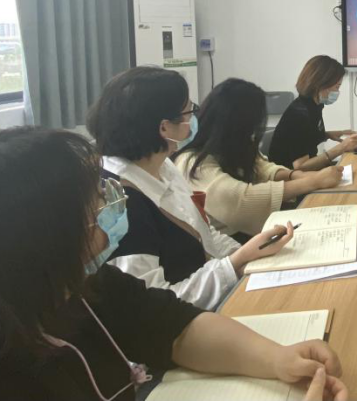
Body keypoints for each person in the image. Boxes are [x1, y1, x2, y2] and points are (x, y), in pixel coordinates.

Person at [0, 127, 347, 401]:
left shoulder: (82, 286)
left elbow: (174, 326)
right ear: (36, 242)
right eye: (94, 207)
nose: (109, 211)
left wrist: (276, 358)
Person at [86, 67, 293, 311]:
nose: (194, 118)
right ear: (164, 127)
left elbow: (203, 232)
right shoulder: (120, 202)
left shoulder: (164, 166)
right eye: (188, 111)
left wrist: (250, 257)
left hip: (211, 299)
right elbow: (151, 305)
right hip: (181, 322)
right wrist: (237, 262)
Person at [175, 78, 343, 239]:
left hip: (245, 233)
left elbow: (261, 166)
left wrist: (293, 175)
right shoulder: (192, 163)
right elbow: (240, 200)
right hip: (228, 240)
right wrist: (313, 182)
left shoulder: (231, 145)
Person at [268, 56, 357, 170]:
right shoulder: (299, 115)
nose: (337, 91)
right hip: (290, 176)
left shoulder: (313, 105)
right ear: (321, 84)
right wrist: (341, 148)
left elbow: (307, 137)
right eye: (337, 87)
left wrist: (330, 134)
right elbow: (300, 167)